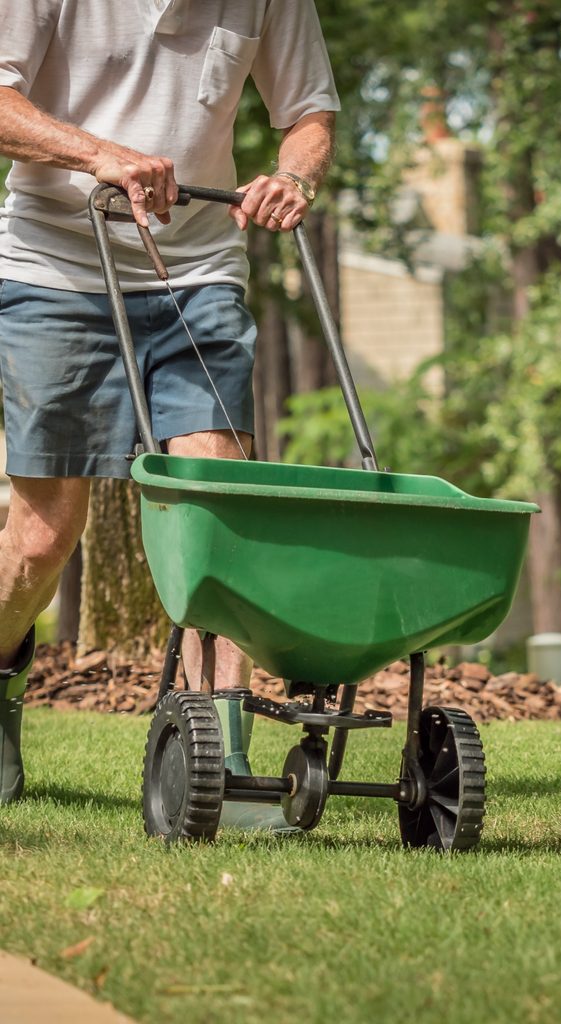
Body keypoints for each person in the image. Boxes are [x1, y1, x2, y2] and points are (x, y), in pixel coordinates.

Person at [0, 1, 340, 806]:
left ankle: (218, 763)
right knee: (43, 536)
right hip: (53, 269)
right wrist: (98, 155)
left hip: (198, 276)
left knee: (213, 520)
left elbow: (310, 112)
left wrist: (294, 175)